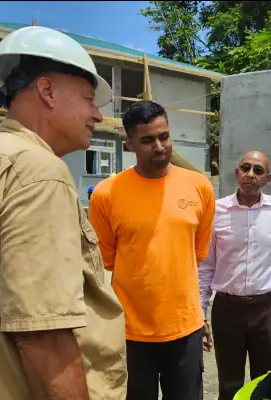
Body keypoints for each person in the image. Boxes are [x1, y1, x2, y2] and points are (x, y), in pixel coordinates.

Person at [0, 26, 127, 400]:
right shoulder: (38, 171)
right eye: (88, 98)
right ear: (47, 91)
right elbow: (43, 334)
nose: (97, 114)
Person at [88, 100, 216, 400]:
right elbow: (104, 264)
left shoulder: (199, 187)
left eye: (164, 136)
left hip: (185, 328)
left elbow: (197, 253)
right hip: (129, 332)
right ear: (129, 143)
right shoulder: (107, 195)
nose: (159, 146)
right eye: (147, 140)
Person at [199, 150, 271, 400]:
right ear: (237, 174)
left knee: (265, 382)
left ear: (268, 179)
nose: (250, 174)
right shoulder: (217, 210)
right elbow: (206, 266)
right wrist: (200, 314)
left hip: (267, 310)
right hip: (227, 310)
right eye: (245, 168)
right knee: (229, 384)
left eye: (258, 170)